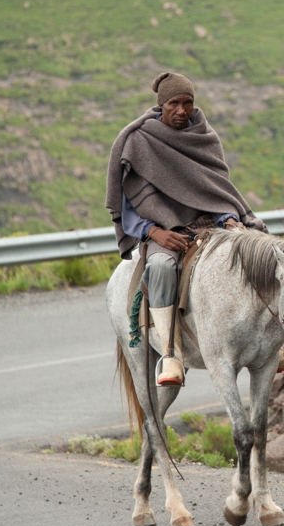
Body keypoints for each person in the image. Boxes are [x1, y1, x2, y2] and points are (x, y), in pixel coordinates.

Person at [106, 72, 268, 386]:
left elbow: (215, 189)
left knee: (257, 248)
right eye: (174, 103)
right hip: (163, 231)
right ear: (161, 105)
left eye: (188, 103)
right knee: (162, 264)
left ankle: (275, 344)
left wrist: (228, 218)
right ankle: (170, 353)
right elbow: (129, 202)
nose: (182, 110)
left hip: (210, 225)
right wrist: (155, 233)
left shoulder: (205, 137)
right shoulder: (139, 141)